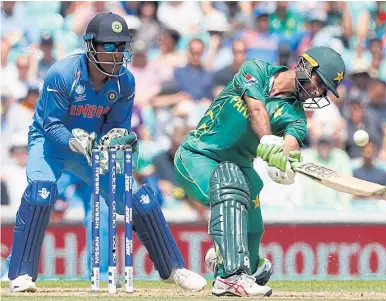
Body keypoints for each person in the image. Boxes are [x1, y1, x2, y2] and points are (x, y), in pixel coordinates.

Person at [7, 12, 206, 293]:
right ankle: (21, 274)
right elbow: (50, 125)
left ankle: (174, 267)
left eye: (121, 47)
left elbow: (116, 128)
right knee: (41, 192)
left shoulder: (125, 82)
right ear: (90, 45)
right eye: (109, 47)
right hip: (50, 143)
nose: (116, 54)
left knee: (138, 197)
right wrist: (73, 140)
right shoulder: (62, 73)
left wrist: (117, 139)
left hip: (91, 149)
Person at [174, 46, 346, 296]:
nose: (318, 91)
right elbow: (256, 109)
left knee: (253, 233)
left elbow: (290, 143)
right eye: (320, 82)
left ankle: (234, 262)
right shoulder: (256, 69)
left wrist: (284, 162)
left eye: (324, 89)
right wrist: (268, 140)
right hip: (198, 155)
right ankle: (229, 277)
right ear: (306, 66)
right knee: (229, 189)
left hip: (241, 168)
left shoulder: (297, 116)